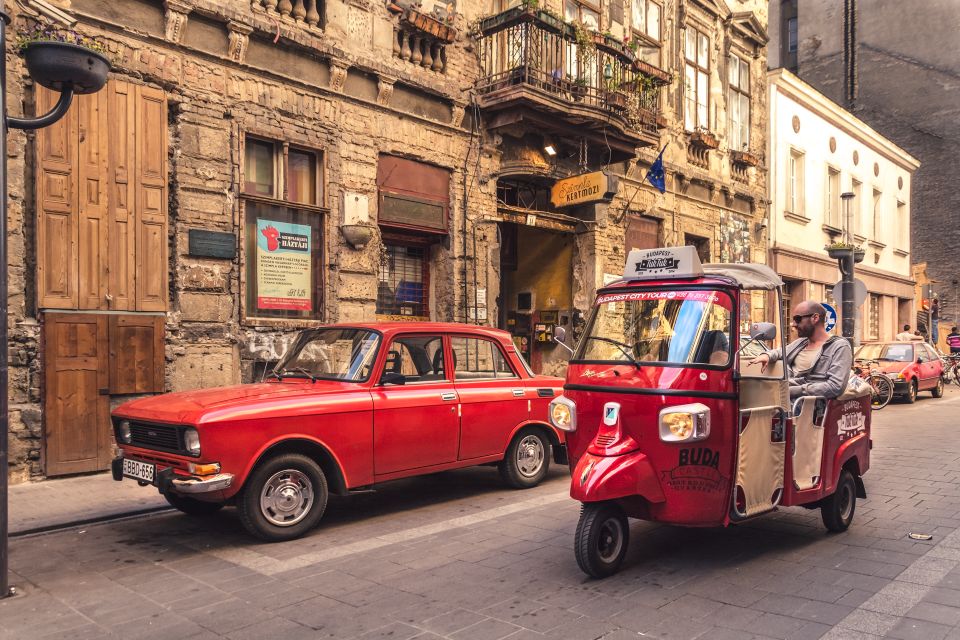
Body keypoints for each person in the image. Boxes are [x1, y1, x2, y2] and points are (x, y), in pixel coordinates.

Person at [748, 301, 853, 400]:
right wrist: (767, 355)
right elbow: (780, 352)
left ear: (815, 318)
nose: (793, 324)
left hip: (810, 405)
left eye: (798, 319)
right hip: (785, 396)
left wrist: (792, 391)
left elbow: (835, 387)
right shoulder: (801, 342)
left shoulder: (839, 346)